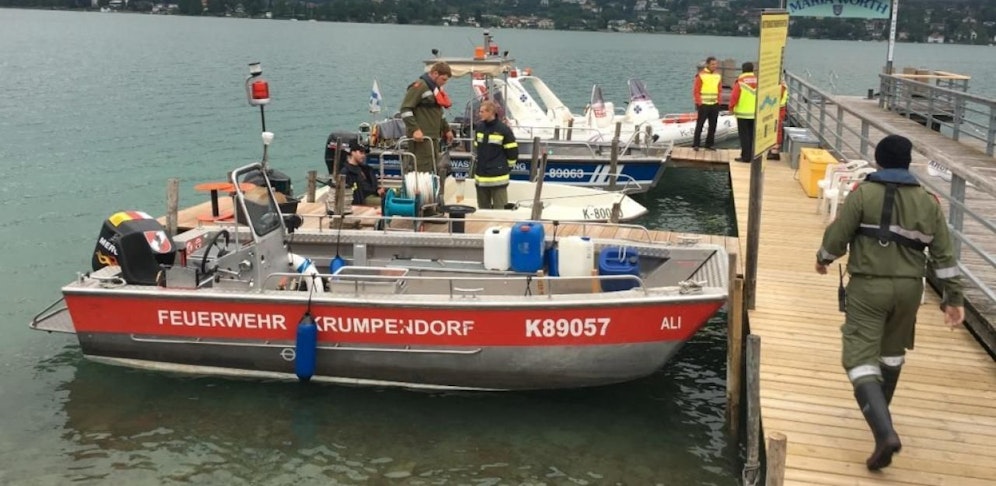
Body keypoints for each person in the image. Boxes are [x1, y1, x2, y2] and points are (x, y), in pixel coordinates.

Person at [815, 134, 964, 471]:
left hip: (869, 286)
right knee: (892, 354)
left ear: (879, 161)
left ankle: (885, 433)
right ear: (908, 163)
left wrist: (823, 258)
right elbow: (944, 255)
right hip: (911, 290)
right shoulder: (929, 202)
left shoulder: (862, 193)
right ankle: (883, 423)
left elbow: (839, 235)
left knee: (859, 358)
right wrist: (953, 298)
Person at [400, 61, 455, 174]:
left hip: (433, 137)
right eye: (443, 79)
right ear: (435, 74)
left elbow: (439, 112)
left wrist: (447, 129)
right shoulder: (420, 86)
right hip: (421, 138)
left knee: (432, 168)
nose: (444, 83)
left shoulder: (435, 89)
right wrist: (415, 129)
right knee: (421, 170)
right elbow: (405, 109)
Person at [473, 100, 518, 210]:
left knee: (500, 210)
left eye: (482, 111)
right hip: (481, 177)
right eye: (480, 111)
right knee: (483, 210)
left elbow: (512, 152)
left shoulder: (503, 130)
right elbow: (477, 149)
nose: (480, 113)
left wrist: (505, 167)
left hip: (498, 178)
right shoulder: (479, 128)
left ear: (491, 112)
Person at [729, 61, 757, 163]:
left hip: (743, 113)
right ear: (752, 69)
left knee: (744, 136)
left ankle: (745, 157)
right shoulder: (758, 81)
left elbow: (734, 96)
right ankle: (752, 155)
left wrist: (731, 108)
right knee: (751, 136)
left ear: (743, 69)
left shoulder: (740, 81)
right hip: (754, 113)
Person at [341, 140, 384, 206]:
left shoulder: (365, 169)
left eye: (364, 153)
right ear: (353, 152)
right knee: (386, 203)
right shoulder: (346, 172)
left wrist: (377, 191)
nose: (363, 155)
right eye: (361, 152)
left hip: (373, 195)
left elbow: (369, 185)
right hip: (362, 200)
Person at [692, 56, 722, 151]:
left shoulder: (718, 76)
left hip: (714, 104)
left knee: (713, 125)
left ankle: (709, 144)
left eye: (716, 64)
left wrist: (719, 101)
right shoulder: (701, 75)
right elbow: (696, 90)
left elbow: (719, 89)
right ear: (707, 64)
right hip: (704, 104)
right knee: (700, 124)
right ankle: (696, 144)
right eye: (712, 64)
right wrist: (699, 102)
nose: (714, 66)